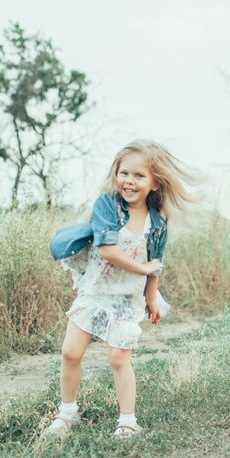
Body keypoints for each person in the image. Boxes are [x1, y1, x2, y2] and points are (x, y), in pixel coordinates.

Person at [45, 139, 199, 438]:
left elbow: (157, 262)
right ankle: (67, 414)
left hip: (127, 298)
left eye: (139, 176)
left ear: (155, 183)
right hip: (96, 291)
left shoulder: (157, 224)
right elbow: (106, 250)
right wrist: (143, 269)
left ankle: (128, 421)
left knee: (118, 357)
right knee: (70, 352)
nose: (129, 181)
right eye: (124, 173)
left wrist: (151, 297)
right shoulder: (108, 205)